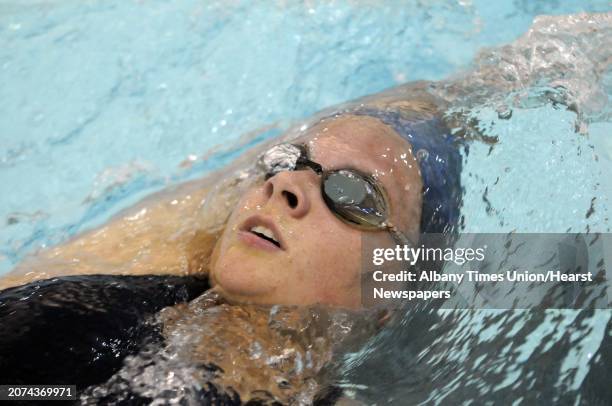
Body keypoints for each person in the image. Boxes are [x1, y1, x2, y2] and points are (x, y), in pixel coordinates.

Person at [0, 82, 463, 403]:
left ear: (391, 292)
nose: (287, 186)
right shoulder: (100, 282)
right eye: (286, 161)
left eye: (354, 192)